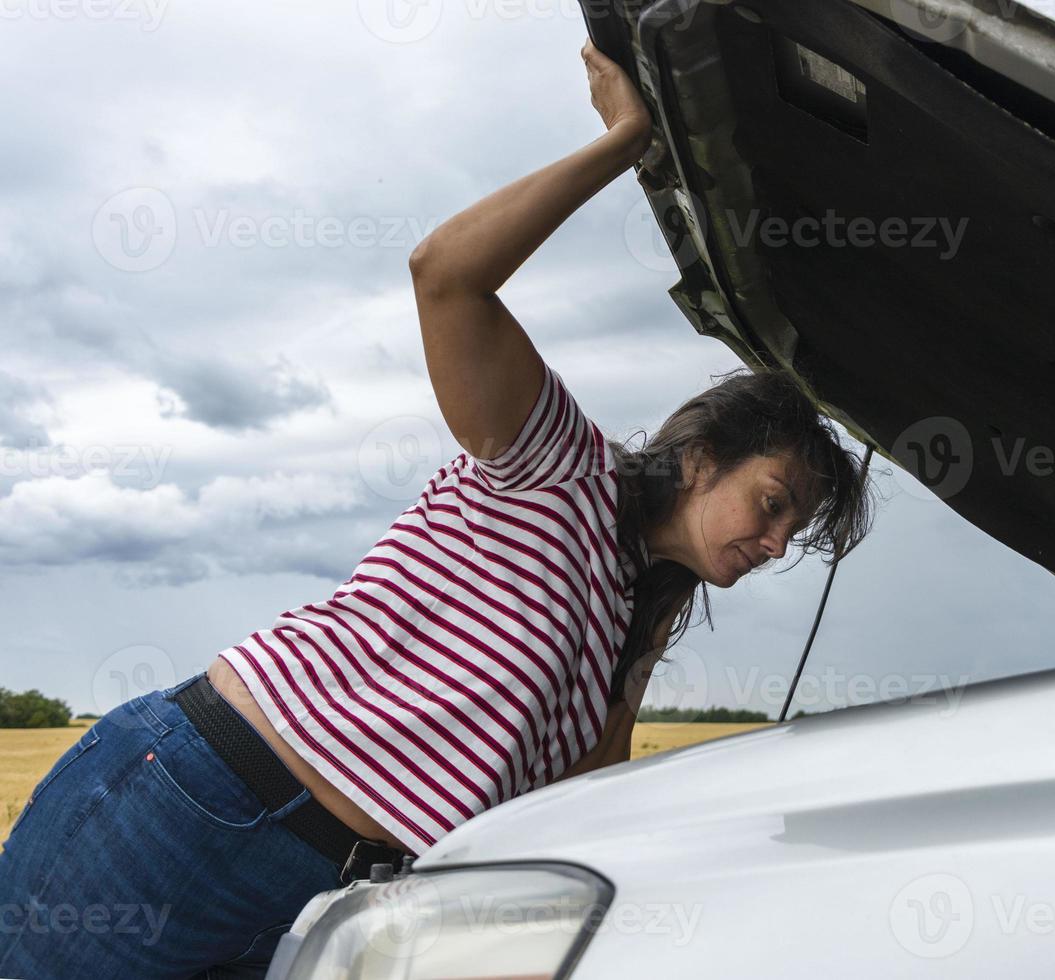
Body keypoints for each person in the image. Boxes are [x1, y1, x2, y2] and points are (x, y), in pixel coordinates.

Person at [0, 38, 874, 979]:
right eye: (773, 502)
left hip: (328, 891)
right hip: (191, 809)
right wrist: (631, 139)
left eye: (795, 532)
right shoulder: (554, 466)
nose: (777, 542)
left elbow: (586, 798)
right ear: (701, 459)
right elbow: (445, 276)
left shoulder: (636, 608)